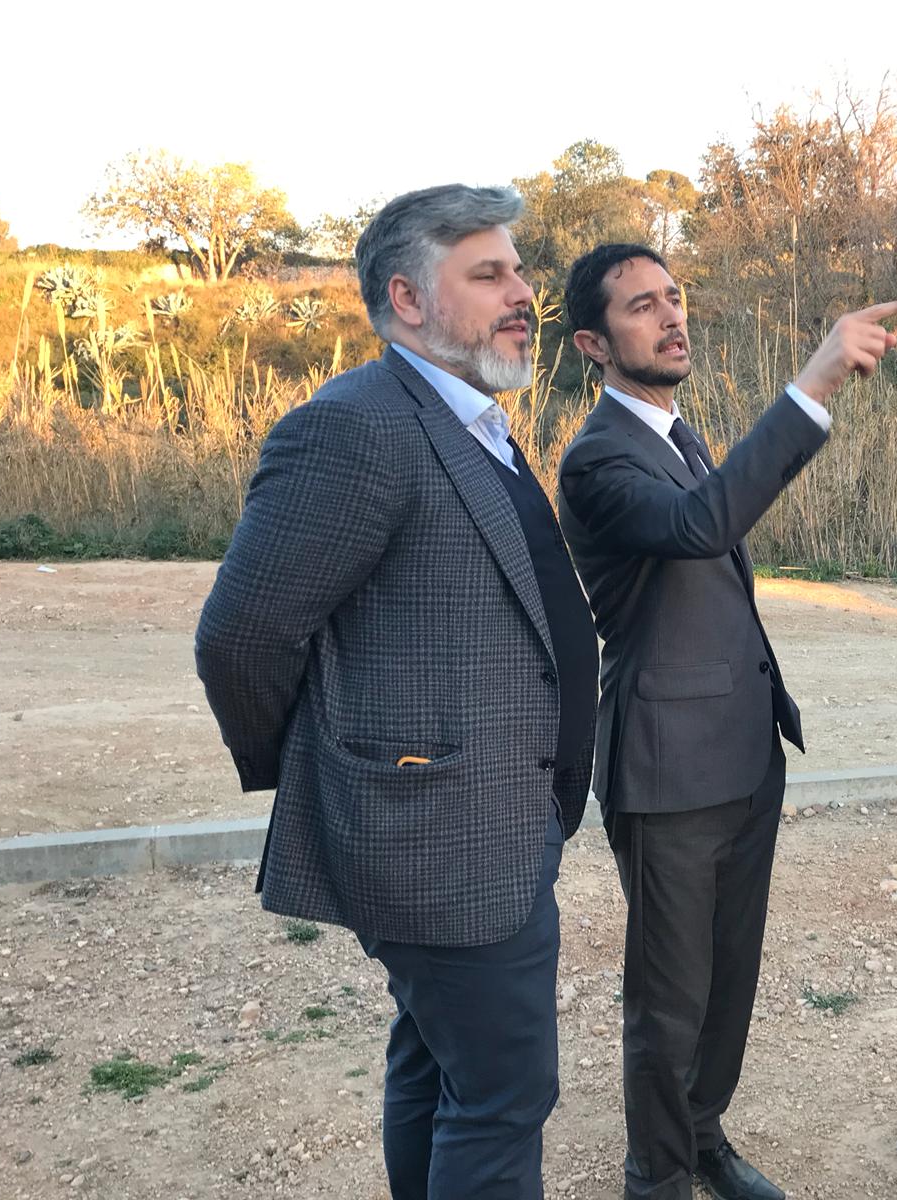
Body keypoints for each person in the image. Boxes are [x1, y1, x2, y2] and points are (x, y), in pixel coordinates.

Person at [195, 184, 599, 1200]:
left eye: (519, 271)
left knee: (440, 1062)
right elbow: (242, 638)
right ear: (407, 300)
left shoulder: (472, 419)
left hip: (502, 819)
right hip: (437, 839)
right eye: (489, 274)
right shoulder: (356, 428)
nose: (524, 293)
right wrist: (335, 765)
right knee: (503, 1093)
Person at [556, 242, 897, 1200]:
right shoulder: (596, 458)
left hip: (745, 756)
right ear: (594, 344)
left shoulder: (680, 436)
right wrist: (813, 383)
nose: (671, 315)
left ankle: (702, 1137)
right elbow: (698, 527)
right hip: (667, 773)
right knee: (670, 1001)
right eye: (641, 306)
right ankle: (659, 1179)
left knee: (727, 982)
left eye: (673, 296)